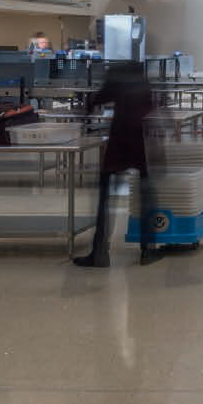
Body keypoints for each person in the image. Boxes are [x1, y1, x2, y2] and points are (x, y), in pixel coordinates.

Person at [74, 62, 161, 268]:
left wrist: (85, 114)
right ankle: (147, 250)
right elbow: (156, 108)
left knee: (105, 198)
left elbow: (95, 100)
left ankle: (100, 252)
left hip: (119, 141)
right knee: (147, 195)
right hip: (141, 142)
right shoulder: (142, 80)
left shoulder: (117, 78)